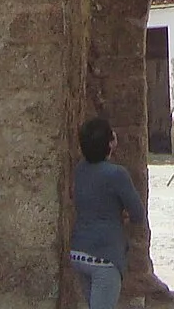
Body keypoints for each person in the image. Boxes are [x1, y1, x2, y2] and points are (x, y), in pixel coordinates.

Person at [69, 115, 147, 309]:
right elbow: (138, 213)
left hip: (79, 252)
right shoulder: (117, 174)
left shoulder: (80, 170)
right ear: (110, 143)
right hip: (104, 255)